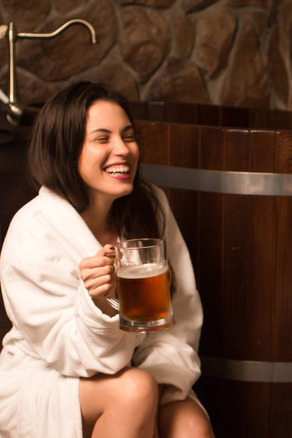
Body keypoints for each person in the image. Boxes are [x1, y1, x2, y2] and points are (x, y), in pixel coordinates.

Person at [0, 82, 214, 437]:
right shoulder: (34, 230)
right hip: (47, 376)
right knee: (135, 391)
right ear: (66, 151)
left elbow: (180, 319)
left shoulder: (150, 205)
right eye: (103, 139)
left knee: (188, 424)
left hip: (140, 370)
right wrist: (99, 306)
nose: (123, 150)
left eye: (128, 136)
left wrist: (162, 378)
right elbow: (66, 353)